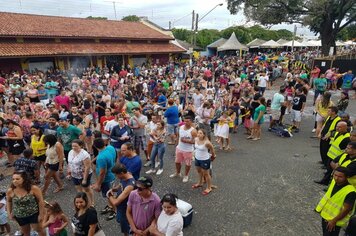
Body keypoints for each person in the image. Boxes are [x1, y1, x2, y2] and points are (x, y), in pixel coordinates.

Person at [315, 167, 356, 236]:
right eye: (335, 175)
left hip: (334, 221)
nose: (336, 178)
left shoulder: (350, 191)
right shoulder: (334, 182)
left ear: (347, 177)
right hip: (326, 217)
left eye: (340, 177)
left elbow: (346, 209)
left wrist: (334, 221)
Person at [6, 171, 45, 236]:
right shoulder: (10, 190)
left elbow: (40, 201)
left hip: (34, 214)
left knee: (39, 230)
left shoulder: (33, 188)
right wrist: (9, 213)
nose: (14, 181)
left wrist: (41, 214)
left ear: (24, 179)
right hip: (20, 216)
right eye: (13, 179)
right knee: (26, 233)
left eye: (17, 179)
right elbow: (9, 201)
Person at [107, 164, 135, 235]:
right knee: (121, 222)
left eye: (117, 175)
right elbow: (120, 185)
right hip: (121, 209)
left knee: (126, 229)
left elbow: (116, 202)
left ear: (122, 173)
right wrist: (113, 189)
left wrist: (109, 195)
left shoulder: (129, 186)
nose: (116, 177)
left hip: (125, 210)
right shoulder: (126, 176)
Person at [170, 116, 197, 183]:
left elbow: (195, 141)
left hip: (188, 150)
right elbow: (179, 137)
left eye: (187, 121)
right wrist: (176, 145)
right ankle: (178, 173)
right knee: (177, 162)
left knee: (187, 164)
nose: (185, 122)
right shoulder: (181, 127)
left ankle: (186, 175)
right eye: (185, 121)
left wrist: (186, 141)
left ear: (191, 122)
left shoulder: (193, 131)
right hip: (179, 148)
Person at [67, 139, 94, 206]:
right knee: (78, 188)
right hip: (74, 174)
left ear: (81, 146)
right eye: (72, 146)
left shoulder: (84, 154)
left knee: (87, 189)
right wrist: (69, 173)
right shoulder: (70, 152)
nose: (73, 148)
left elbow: (87, 167)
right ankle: (83, 201)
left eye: (75, 146)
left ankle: (91, 202)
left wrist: (85, 179)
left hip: (83, 175)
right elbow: (69, 163)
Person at [192, 129, 216, 195]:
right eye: (198, 133)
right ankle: (200, 183)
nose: (198, 134)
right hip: (197, 158)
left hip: (205, 159)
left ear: (204, 135)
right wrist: (193, 153)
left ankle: (209, 187)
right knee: (199, 171)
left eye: (200, 133)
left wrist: (213, 156)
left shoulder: (207, 142)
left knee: (206, 174)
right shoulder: (196, 139)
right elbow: (196, 148)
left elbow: (212, 149)